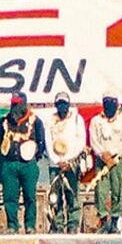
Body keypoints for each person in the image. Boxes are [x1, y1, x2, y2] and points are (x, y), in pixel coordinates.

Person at [0, 94, 43, 234]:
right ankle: (12, 225)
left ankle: (30, 225)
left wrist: (34, 156)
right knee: (10, 197)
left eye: (17, 104)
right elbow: (0, 141)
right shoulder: (4, 120)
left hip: (28, 165)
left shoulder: (35, 120)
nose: (15, 107)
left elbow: (41, 142)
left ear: (23, 103)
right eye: (13, 104)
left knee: (30, 196)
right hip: (10, 164)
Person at [87, 94, 122, 232]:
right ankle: (103, 219)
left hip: (117, 159)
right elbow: (94, 140)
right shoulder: (96, 121)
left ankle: (115, 221)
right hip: (102, 160)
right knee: (100, 190)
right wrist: (103, 155)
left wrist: (114, 155)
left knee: (118, 190)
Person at [44, 94, 87, 233]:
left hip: (71, 163)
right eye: (59, 104)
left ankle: (73, 224)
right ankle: (57, 224)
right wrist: (58, 161)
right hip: (55, 164)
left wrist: (69, 160)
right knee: (55, 196)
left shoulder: (76, 119)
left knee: (72, 193)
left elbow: (81, 141)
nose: (62, 107)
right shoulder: (50, 121)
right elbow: (48, 142)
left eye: (64, 104)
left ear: (68, 105)